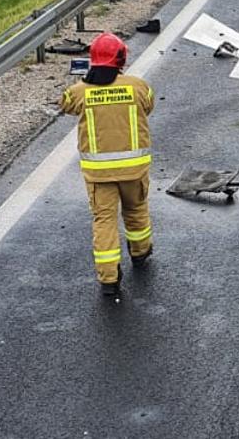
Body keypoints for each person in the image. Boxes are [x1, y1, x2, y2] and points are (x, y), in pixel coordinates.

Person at [57, 33, 156, 302]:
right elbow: (149, 104)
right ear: (122, 58)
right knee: (136, 210)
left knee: (104, 221)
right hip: (134, 171)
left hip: (99, 175)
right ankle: (140, 252)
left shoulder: (80, 91)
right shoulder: (138, 87)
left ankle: (109, 278)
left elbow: (64, 103)